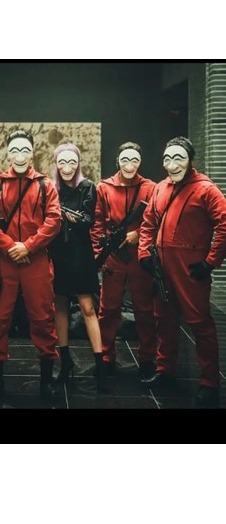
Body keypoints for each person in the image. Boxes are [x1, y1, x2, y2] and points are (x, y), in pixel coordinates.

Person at [139, 136, 226, 408]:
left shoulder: (206, 190)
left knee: (200, 324)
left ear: (191, 160)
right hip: (162, 267)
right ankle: (165, 370)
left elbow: (224, 225)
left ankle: (209, 382)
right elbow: (148, 223)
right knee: (163, 320)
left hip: (191, 269)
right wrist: (144, 253)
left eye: (178, 158)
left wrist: (210, 262)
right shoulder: (160, 187)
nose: (172, 164)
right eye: (167, 159)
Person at [0, 129, 61, 399]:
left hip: (36, 260)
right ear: (7, 153)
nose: (19, 155)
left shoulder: (45, 185)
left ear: (32, 152)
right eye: (14, 150)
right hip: (5, 261)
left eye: (25, 149)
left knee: (42, 317)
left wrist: (28, 246)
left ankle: (47, 379)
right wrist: (10, 246)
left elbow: (54, 221)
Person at [91, 141, 158, 380]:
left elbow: (157, 219)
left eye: (134, 160)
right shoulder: (104, 187)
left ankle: (147, 359)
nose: (129, 165)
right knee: (108, 309)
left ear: (140, 162)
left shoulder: (151, 188)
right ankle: (106, 357)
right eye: (125, 160)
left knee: (144, 309)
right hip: (113, 255)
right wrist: (99, 250)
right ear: (117, 161)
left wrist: (137, 234)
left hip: (140, 255)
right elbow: (97, 221)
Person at [49, 143, 108, 392]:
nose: (67, 167)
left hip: (80, 255)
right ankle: (65, 362)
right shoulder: (51, 189)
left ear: (78, 164)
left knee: (87, 308)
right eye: (62, 162)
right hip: (57, 254)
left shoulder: (88, 186)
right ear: (56, 164)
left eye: (72, 162)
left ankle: (100, 365)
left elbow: (88, 221)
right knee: (60, 307)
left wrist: (69, 217)